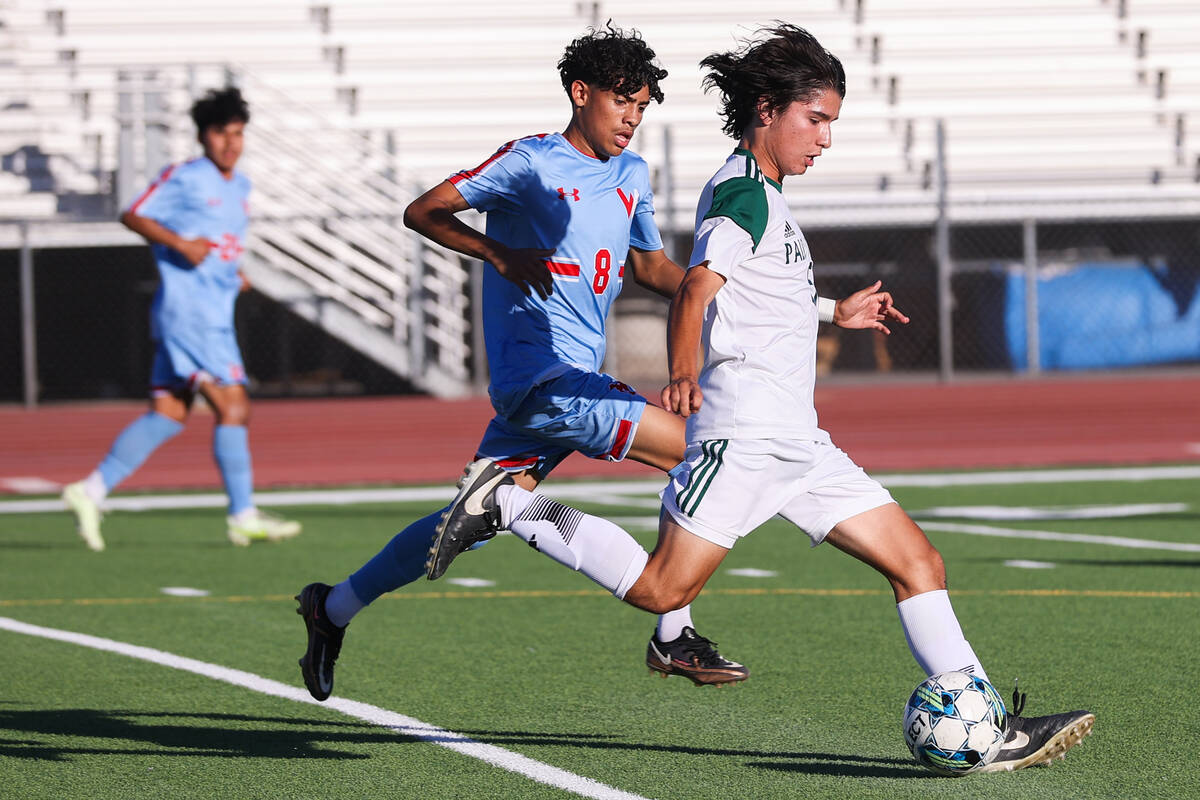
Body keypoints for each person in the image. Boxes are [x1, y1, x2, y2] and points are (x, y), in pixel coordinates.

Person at [431, 24, 1094, 774]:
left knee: (919, 562)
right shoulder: (743, 193)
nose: (826, 140)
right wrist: (682, 372)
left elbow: (755, 294)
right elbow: (697, 290)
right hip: (743, 436)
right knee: (659, 590)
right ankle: (508, 504)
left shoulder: (767, 201)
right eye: (817, 120)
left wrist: (834, 312)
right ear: (769, 110)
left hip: (801, 443)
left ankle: (989, 728)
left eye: (833, 124)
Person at [294, 24, 901, 701]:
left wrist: (818, 308)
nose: (632, 120)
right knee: (695, 452)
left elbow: (657, 269)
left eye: (642, 108)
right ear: (580, 94)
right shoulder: (530, 162)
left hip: (571, 384)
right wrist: (498, 254)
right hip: (543, 377)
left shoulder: (632, 175)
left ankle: (333, 607)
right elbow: (423, 210)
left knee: (464, 523)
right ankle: (672, 634)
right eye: (621, 103)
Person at [61, 87, 300, 551]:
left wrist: (235, 273)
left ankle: (89, 491)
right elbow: (133, 214)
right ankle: (242, 514)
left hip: (213, 310)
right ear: (203, 136)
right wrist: (181, 245)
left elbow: (220, 243)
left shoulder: (240, 185)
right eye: (220, 134)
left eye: (237, 134)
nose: (230, 143)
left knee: (169, 414)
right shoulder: (186, 177)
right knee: (234, 407)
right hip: (190, 315)